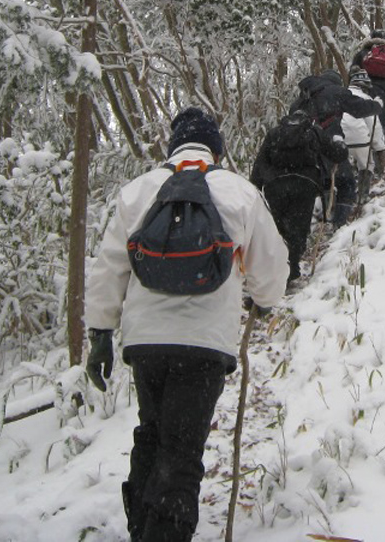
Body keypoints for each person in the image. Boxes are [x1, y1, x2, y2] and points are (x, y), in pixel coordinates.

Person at [83, 107, 288, 542]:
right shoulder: (239, 191)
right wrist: (265, 303)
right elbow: (271, 267)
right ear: (217, 148)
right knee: (181, 450)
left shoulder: (138, 191)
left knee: (151, 434)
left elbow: (109, 268)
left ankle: (142, 529)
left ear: (172, 146)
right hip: (205, 344)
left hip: (145, 342)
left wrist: (100, 332)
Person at [250, 105, 348, 284]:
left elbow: (260, 163)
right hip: (304, 184)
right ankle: (291, 268)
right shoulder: (313, 131)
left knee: (278, 228)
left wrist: (255, 188)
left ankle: (277, 269)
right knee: (298, 227)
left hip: (275, 186)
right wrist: (340, 144)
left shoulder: (274, 133)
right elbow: (337, 154)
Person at [289, 69, 380, 227]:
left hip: (303, 148)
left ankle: (326, 214)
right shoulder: (335, 91)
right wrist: (377, 105)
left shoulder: (301, 100)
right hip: (328, 144)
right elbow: (359, 108)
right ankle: (340, 223)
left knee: (324, 181)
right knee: (346, 182)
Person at [341, 68, 385, 202]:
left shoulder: (342, 95)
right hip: (360, 139)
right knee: (366, 165)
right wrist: (379, 147)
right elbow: (375, 128)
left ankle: (343, 198)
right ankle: (362, 195)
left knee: (342, 168)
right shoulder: (366, 99)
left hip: (341, 139)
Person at [350, 30, 385, 137]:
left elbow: (352, 77)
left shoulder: (361, 55)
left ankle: (365, 149)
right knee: (382, 125)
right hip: (384, 96)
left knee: (364, 123)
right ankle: (381, 150)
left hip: (363, 95)